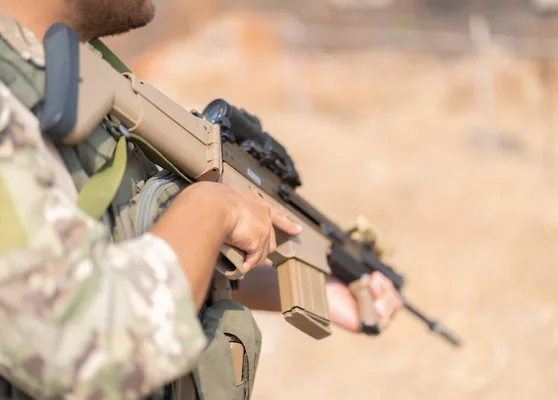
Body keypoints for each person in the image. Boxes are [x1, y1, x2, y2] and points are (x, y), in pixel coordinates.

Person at [0, 0, 403, 399]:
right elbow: (92, 346)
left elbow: (92, 261)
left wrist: (299, 284)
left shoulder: (65, 73)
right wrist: (212, 209)